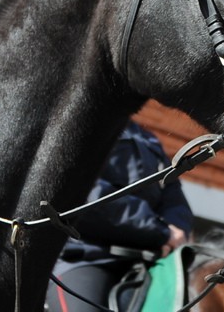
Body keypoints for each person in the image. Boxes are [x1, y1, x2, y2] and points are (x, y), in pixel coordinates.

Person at [46, 120, 194, 312]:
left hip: (150, 262)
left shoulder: (148, 139)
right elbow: (87, 194)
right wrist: (161, 231)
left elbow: (174, 195)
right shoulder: (84, 127)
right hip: (86, 259)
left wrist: (177, 228)